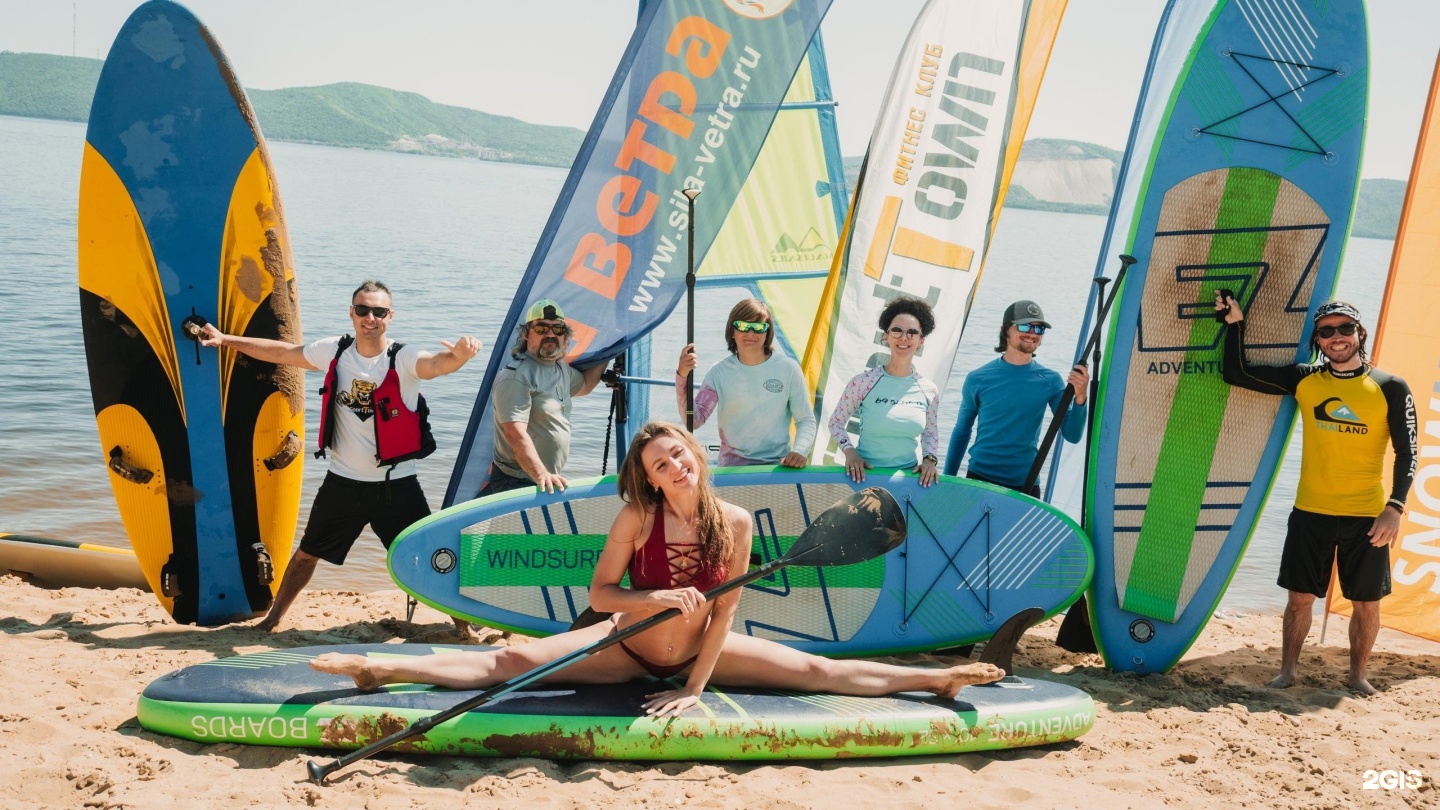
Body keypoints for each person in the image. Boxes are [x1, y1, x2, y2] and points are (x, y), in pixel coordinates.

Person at [311, 422, 1004, 717]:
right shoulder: (637, 518)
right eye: (657, 463)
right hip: (627, 647)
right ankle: (383, 670)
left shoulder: (733, 522)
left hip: (704, 650)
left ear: (694, 455)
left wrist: (695, 690)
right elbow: (599, 593)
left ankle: (934, 678)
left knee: (817, 670)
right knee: (510, 661)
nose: (673, 467)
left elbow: (726, 609)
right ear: (647, 476)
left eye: (678, 455)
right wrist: (651, 598)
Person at [198, 281, 481, 635]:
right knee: (306, 554)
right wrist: (227, 340)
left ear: (390, 316)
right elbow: (284, 353)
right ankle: (272, 620)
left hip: (396, 485)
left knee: (432, 555)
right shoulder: (335, 350)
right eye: (362, 310)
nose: (370, 318)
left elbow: (436, 365)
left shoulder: (403, 358)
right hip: (343, 483)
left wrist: (459, 356)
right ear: (352, 313)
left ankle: (464, 627)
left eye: (379, 312)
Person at [1217, 295, 1415, 695]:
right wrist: (1235, 325)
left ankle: (1357, 676)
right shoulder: (1304, 379)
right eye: (1327, 331)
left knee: (1366, 603)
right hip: (1311, 512)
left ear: (1360, 334)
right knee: (1299, 599)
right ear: (1318, 340)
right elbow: (1236, 373)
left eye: (1345, 329)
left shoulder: (1390, 386)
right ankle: (1288, 671)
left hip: (1367, 516)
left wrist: (1395, 506)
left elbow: (1408, 451)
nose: (1336, 338)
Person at [945, 300, 1089, 496]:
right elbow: (962, 431)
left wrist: (1080, 397)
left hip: (1026, 484)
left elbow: (1072, 435)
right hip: (979, 478)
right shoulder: (978, 378)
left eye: (1038, 329)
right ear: (1006, 330)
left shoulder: (1050, 380)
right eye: (1024, 326)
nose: (1032, 333)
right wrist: (948, 479)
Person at [674, 298, 816, 467]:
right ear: (732, 331)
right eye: (742, 326)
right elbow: (695, 420)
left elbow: (806, 420)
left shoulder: (789, 369)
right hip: (732, 469)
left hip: (777, 467)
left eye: (758, 327)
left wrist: (799, 450)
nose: (750, 333)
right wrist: (683, 375)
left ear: (767, 332)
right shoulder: (718, 372)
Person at [484, 299, 606, 496]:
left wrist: (609, 351)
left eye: (557, 330)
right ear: (526, 335)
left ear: (565, 336)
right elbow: (515, 434)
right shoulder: (516, 375)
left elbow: (585, 385)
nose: (550, 334)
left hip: (546, 479)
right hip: (517, 482)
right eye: (541, 328)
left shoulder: (560, 368)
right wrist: (541, 474)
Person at [826, 296, 941, 487]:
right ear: (886, 336)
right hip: (863, 479)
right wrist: (850, 452)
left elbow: (930, 433)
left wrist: (929, 460)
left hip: (908, 482)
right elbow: (836, 422)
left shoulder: (929, 389)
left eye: (912, 332)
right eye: (897, 330)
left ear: (921, 340)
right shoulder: (863, 382)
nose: (904, 338)